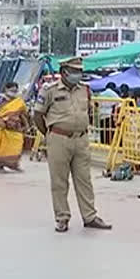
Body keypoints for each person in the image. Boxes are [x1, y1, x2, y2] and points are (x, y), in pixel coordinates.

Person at [33, 57, 112, 233]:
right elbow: (38, 115)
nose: (78, 74)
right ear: (64, 72)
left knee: (84, 179)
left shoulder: (85, 90)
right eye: (74, 71)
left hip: (81, 139)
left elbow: (89, 112)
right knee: (59, 181)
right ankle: (62, 218)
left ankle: (90, 216)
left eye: (79, 71)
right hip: (59, 138)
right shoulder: (49, 90)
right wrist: (48, 134)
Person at [0, 82, 29, 173]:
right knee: (1, 147)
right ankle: (0, 167)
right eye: (12, 90)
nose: (14, 92)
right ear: (6, 89)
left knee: (17, 145)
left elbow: (22, 114)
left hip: (15, 127)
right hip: (1, 126)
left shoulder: (18, 101)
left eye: (15, 90)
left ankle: (13, 164)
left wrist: (26, 124)